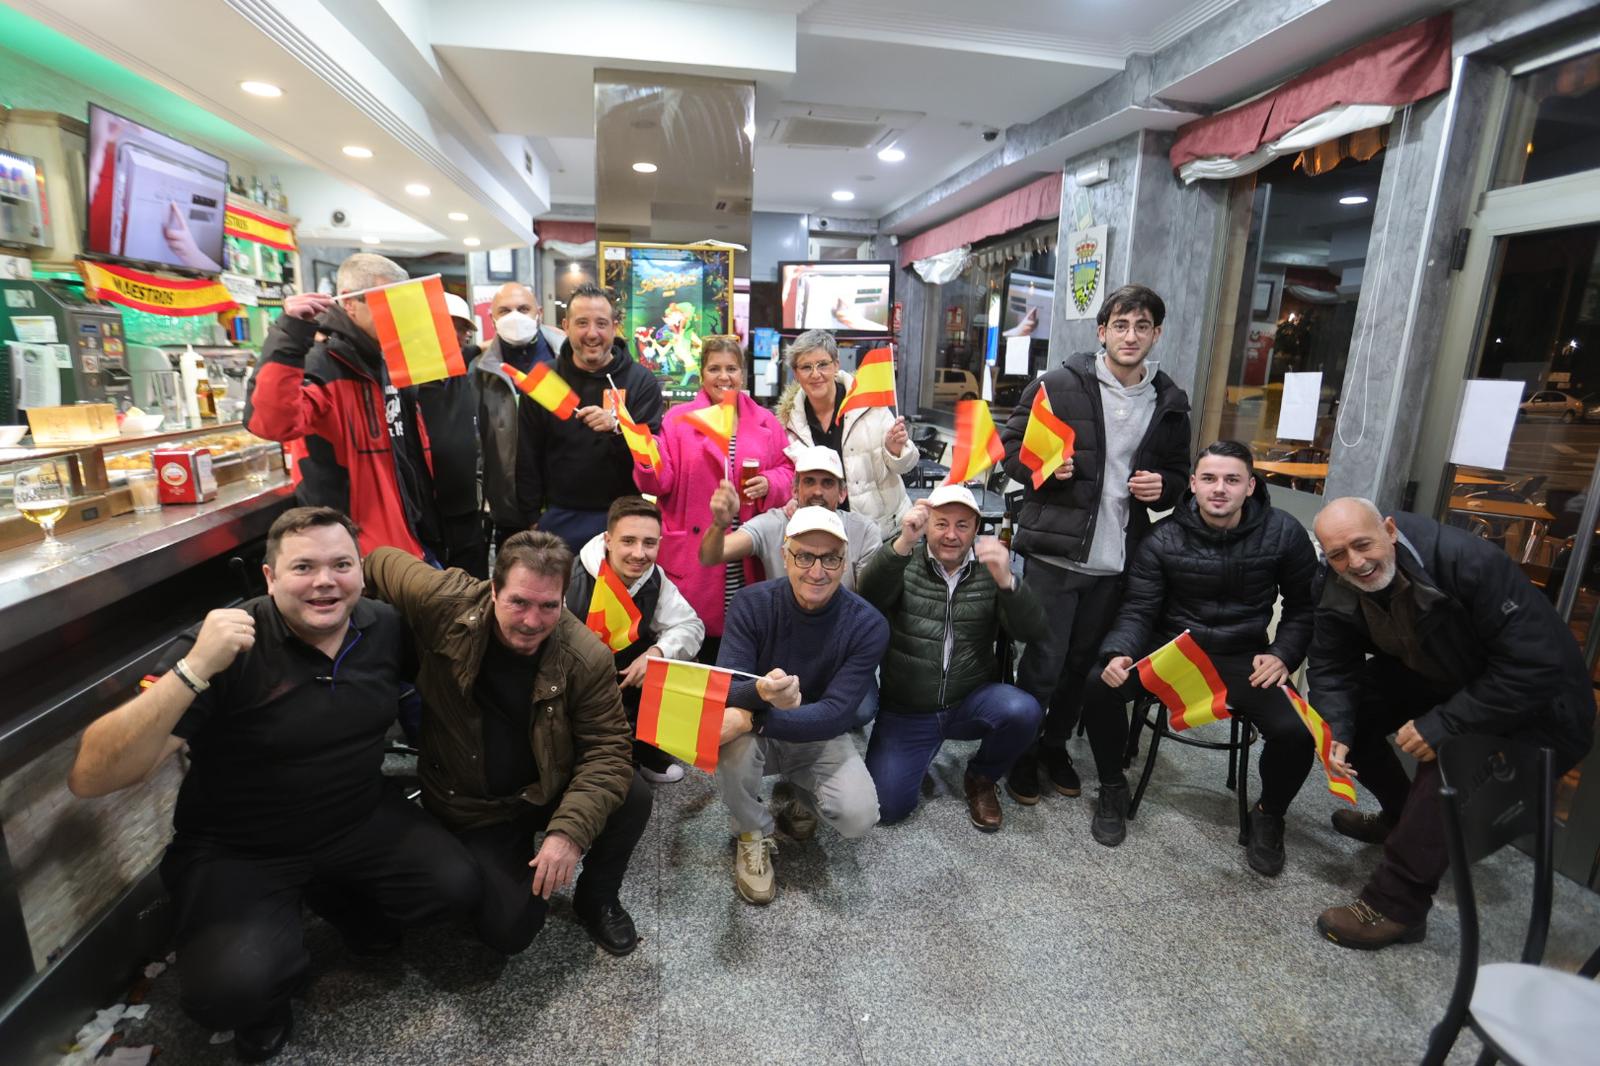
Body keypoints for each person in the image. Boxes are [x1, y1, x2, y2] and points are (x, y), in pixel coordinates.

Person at [67, 507, 480, 1062]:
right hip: (240, 847)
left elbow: (446, 685)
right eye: (303, 567)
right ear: (269, 578)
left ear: (361, 571)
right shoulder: (224, 643)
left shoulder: (383, 627)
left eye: (341, 564)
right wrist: (193, 669)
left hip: (355, 818)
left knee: (456, 886)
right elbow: (92, 776)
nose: (325, 582)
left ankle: (334, 894)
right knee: (228, 993)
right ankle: (268, 987)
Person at [1308, 498, 1594, 949]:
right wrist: (1337, 730)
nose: (1355, 562)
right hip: (1442, 672)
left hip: (1535, 701)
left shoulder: (1470, 563)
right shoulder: (1333, 580)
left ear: (1389, 529)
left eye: (1363, 544)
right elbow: (1330, 664)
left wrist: (1445, 723)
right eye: (1338, 554)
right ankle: (1401, 821)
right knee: (1354, 715)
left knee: (1444, 767)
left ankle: (1395, 906)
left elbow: (1536, 665)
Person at [365, 530, 651, 958]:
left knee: (632, 794)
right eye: (519, 601)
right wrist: (350, 628)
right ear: (493, 589)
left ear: (563, 601)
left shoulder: (586, 655)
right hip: (476, 805)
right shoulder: (445, 599)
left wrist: (569, 833)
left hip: (546, 784)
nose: (532, 621)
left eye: (548, 606)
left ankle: (597, 900)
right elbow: (377, 561)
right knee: (509, 932)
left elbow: (608, 749)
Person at [1079, 443, 1319, 874]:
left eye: (1231, 480)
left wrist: (1283, 654)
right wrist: (1120, 653)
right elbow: (1139, 609)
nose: (1219, 489)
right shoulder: (1164, 536)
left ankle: (1269, 813)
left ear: (1250, 485)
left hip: (1244, 654)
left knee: (1297, 732)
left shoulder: (1285, 532)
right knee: (1099, 684)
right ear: (1192, 484)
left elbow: (1304, 607)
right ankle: (1112, 787)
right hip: (1176, 649)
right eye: (1209, 479)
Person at [998, 283, 1191, 804]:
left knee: (1083, 670)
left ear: (1157, 334)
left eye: (1143, 326)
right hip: (1056, 553)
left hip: (1118, 559)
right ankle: (1022, 749)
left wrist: (1165, 487)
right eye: (1121, 325)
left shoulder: (1168, 401)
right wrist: (1045, 469)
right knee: (1042, 662)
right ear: (1102, 332)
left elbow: (1179, 473)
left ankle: (1055, 745)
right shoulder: (1058, 384)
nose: (1131, 336)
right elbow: (1010, 449)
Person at [716, 507, 889, 905]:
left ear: (843, 561)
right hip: (766, 725)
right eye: (805, 556)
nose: (817, 571)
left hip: (814, 731)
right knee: (730, 745)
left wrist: (754, 718)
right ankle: (753, 832)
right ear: (785, 554)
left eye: (830, 558)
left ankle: (799, 791)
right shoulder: (751, 603)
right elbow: (728, 684)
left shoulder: (868, 625)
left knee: (860, 815)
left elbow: (837, 714)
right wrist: (761, 694)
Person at [857, 486, 1048, 831]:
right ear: (926, 525)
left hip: (969, 701)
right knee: (886, 807)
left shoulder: (990, 570)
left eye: (962, 525)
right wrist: (902, 542)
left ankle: (981, 776)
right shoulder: (904, 561)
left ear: (976, 528)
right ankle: (918, 754)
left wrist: (1007, 580)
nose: (951, 534)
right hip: (908, 708)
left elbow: (1031, 630)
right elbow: (866, 598)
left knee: (1024, 710)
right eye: (941, 523)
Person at [245, 253, 442, 560]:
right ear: (350, 303)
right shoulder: (323, 365)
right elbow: (271, 423)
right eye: (389, 301)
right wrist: (290, 333)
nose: (402, 312)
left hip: (410, 542)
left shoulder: (388, 362)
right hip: (358, 554)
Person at [633, 335, 793, 661]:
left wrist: (769, 482)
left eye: (732, 368)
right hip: (697, 554)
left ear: (743, 374)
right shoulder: (678, 421)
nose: (724, 377)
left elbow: (788, 472)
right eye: (714, 368)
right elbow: (661, 481)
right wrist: (645, 458)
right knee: (696, 651)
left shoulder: (766, 421)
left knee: (744, 644)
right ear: (702, 373)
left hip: (748, 554)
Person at [566, 495, 705, 784]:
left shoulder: (657, 578)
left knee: (683, 661)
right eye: (628, 541)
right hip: (576, 679)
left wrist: (658, 651)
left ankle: (649, 750)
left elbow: (691, 626)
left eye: (649, 543)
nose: (639, 553)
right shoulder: (570, 576)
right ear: (608, 540)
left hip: (629, 676)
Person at [516, 282, 663, 553]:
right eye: (582, 323)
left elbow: (653, 459)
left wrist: (618, 429)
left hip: (623, 520)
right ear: (566, 325)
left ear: (615, 326)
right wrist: (532, 518)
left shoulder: (641, 382)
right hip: (558, 518)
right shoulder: (545, 380)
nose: (592, 334)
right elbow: (527, 454)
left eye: (602, 323)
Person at [776, 329, 916, 538]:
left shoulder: (869, 404)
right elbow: (792, 478)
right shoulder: (789, 423)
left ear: (836, 364)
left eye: (823, 364)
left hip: (882, 530)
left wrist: (894, 450)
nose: (816, 374)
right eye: (806, 367)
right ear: (796, 374)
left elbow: (906, 465)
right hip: (825, 532)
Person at [698, 444, 882, 594]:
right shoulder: (773, 524)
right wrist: (719, 524)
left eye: (827, 483)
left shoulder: (864, 532)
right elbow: (710, 556)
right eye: (809, 481)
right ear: (794, 490)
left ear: (842, 493)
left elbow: (870, 597)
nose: (817, 491)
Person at [473, 282, 566, 549]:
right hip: (508, 507)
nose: (515, 316)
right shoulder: (480, 369)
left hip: (563, 504)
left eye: (523, 309)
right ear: (492, 318)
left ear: (538, 312)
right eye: (505, 310)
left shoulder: (567, 356)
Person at [415, 291, 488, 577]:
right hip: (424, 515)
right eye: (448, 327)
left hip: (467, 509)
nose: (458, 337)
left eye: (462, 330)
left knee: (474, 585)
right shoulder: (405, 383)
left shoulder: (459, 367)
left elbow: (488, 346)